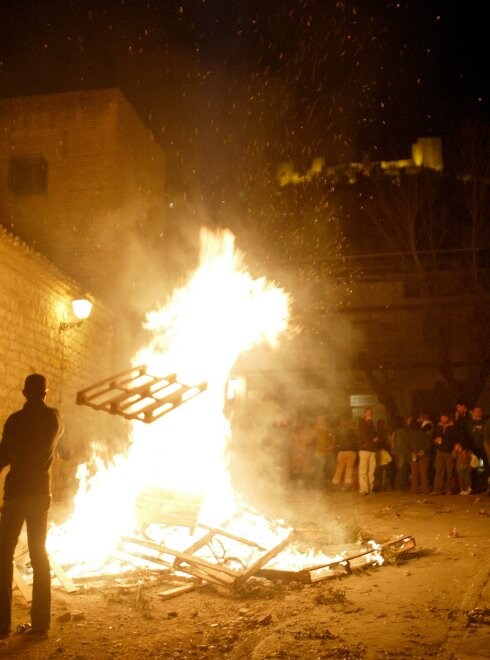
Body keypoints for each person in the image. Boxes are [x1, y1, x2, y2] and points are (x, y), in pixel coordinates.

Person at [0, 374, 63, 638]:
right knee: (39, 554)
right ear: (45, 393)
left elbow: (2, 456)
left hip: (16, 495)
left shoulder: (15, 420)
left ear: (24, 393)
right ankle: (40, 625)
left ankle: (1, 626)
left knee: (4, 555)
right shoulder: (55, 419)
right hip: (40, 495)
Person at [431, 412, 458, 495]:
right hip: (440, 451)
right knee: (439, 470)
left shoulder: (453, 427)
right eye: (442, 417)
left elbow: (456, 438)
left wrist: (454, 448)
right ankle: (438, 489)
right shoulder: (438, 427)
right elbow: (433, 436)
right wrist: (435, 440)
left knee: (449, 471)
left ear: (448, 418)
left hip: (449, 451)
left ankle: (449, 489)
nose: (443, 419)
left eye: (445, 417)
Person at [332, 414, 358, 490]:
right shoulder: (351, 430)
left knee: (339, 468)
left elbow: (335, 442)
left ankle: (335, 483)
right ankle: (347, 484)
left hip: (341, 451)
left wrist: (337, 449)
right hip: (350, 451)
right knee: (349, 469)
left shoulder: (337, 431)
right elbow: (356, 439)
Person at [357, 407, 378, 495]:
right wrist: (369, 422)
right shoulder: (362, 423)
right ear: (365, 414)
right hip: (364, 449)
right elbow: (363, 433)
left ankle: (370, 489)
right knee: (363, 470)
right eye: (368, 413)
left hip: (372, 449)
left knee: (372, 470)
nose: (370, 414)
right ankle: (364, 489)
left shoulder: (372, 423)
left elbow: (372, 434)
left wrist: (376, 438)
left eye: (371, 412)